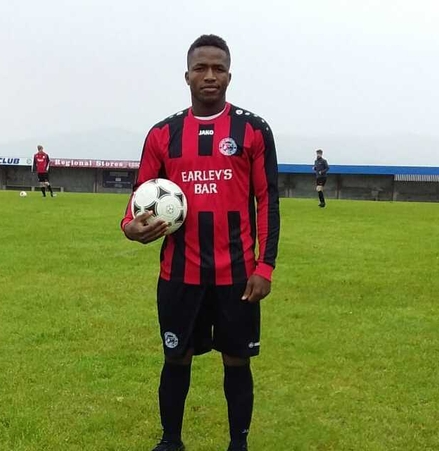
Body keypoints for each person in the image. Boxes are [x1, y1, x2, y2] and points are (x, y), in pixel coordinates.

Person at [121, 34, 280, 451]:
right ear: (187, 75)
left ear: (229, 75)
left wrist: (265, 267)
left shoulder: (253, 130)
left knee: (237, 361)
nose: (210, 76)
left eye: (218, 68)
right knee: (176, 357)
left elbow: (267, 200)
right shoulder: (162, 134)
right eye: (201, 68)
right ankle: (171, 441)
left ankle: (238, 444)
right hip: (179, 273)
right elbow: (139, 197)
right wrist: (129, 227)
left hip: (237, 276)